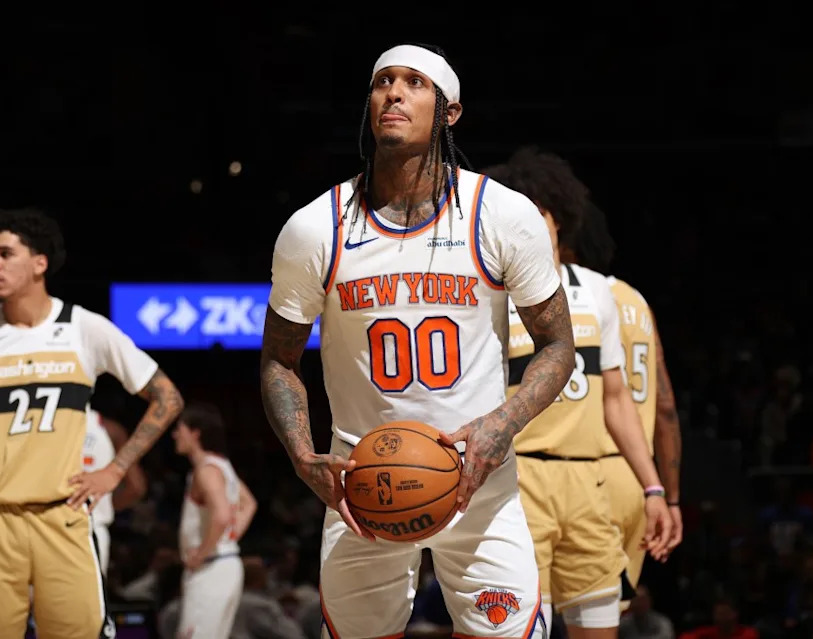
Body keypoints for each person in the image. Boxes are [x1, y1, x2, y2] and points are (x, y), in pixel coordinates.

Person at [261, 42, 576, 639]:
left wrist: (501, 426)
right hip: (361, 486)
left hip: (480, 479)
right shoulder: (312, 228)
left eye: (414, 83)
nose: (394, 93)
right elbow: (279, 360)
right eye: (383, 81)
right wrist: (303, 455)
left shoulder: (502, 215)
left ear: (449, 112)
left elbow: (557, 345)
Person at [0, 207, 184, 638]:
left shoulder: (84, 328)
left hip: (64, 519)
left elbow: (168, 397)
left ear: (40, 262)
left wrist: (115, 470)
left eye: (6, 253)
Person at [485, 148, 671, 639]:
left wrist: (653, 488)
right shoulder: (488, 302)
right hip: (517, 486)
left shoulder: (598, 293)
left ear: (558, 222)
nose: (527, 224)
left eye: (538, 213)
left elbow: (616, 399)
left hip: (590, 488)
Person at [565, 198, 684, 592]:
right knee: (605, 618)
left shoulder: (567, 296)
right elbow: (665, 409)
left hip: (583, 472)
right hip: (638, 478)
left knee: (540, 615)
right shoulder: (636, 300)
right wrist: (670, 497)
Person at [173, 402, 257, 639]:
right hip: (225, 562)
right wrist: (231, 537)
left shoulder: (206, 470)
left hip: (211, 567)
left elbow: (221, 515)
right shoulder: (223, 465)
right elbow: (249, 503)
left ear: (195, 432)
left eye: (180, 428)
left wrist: (202, 552)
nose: (175, 434)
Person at [84, 406, 149, 575]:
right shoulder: (109, 429)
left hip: (43, 530)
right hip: (91, 531)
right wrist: (102, 507)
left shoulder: (39, 424)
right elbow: (137, 487)